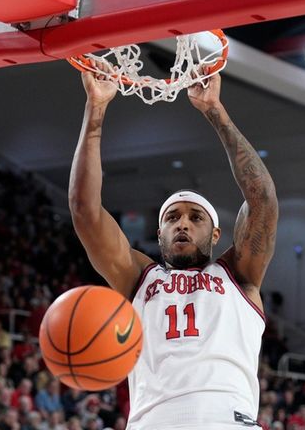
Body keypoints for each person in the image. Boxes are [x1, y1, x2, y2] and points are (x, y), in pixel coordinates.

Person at [69, 69, 278, 429]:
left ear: (215, 234)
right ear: (159, 231)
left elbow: (263, 201)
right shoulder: (138, 277)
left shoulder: (238, 276)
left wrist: (215, 110)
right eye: (172, 218)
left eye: (195, 218)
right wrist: (96, 110)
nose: (182, 223)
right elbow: (85, 211)